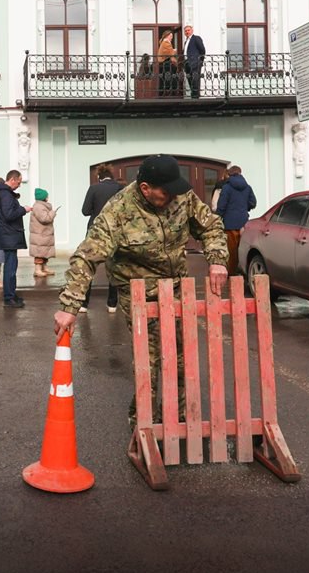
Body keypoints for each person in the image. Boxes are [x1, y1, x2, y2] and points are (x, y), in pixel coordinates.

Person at [54, 155, 228, 423]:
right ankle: (144, 420)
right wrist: (69, 307)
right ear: (145, 188)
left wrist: (217, 260)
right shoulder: (118, 211)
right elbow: (87, 257)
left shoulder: (182, 196)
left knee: (182, 354)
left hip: (177, 285)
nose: (172, 197)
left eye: (174, 190)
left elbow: (211, 225)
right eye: (165, 191)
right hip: (137, 288)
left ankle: (182, 418)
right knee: (151, 358)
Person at [80, 164, 125, 313]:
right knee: (113, 268)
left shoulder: (94, 188)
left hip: (95, 231)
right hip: (114, 231)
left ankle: (84, 304)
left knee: (89, 267)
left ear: (99, 176)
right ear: (111, 176)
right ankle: (112, 304)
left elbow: (85, 211)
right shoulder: (119, 188)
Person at [0, 170, 31, 308]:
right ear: (13, 179)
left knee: (11, 266)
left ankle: (12, 295)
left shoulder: (3, 193)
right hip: (9, 235)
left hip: (8, 235)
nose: (19, 185)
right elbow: (9, 214)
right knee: (10, 268)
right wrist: (23, 210)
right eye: (19, 182)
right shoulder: (6, 194)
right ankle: (9, 298)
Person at [214, 165, 257, 276]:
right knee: (244, 250)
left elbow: (221, 206)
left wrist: (218, 218)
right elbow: (253, 202)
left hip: (229, 224)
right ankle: (244, 273)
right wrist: (245, 207)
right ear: (240, 173)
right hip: (244, 223)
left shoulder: (227, 187)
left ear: (229, 174)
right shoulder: (248, 187)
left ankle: (232, 274)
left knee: (232, 252)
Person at [29, 187, 59, 277]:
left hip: (44, 234)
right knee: (39, 253)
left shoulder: (42, 206)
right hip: (40, 235)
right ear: (43, 197)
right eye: (47, 196)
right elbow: (45, 219)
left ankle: (44, 267)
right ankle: (37, 269)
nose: (48, 197)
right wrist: (52, 213)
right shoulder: (39, 207)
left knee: (44, 252)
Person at [183, 24, 206, 99]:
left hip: (195, 62)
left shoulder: (196, 38)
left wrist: (200, 61)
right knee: (190, 79)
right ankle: (193, 95)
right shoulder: (186, 41)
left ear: (192, 31)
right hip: (187, 63)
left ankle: (196, 96)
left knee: (195, 80)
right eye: (185, 31)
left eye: (188, 30)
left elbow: (202, 50)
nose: (187, 32)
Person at [156, 30, 179, 96]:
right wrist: (176, 50)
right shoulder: (166, 42)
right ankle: (170, 93)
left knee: (166, 78)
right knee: (169, 79)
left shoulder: (164, 42)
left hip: (164, 63)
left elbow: (168, 52)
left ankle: (166, 92)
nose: (171, 37)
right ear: (167, 36)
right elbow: (170, 53)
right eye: (171, 36)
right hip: (166, 63)